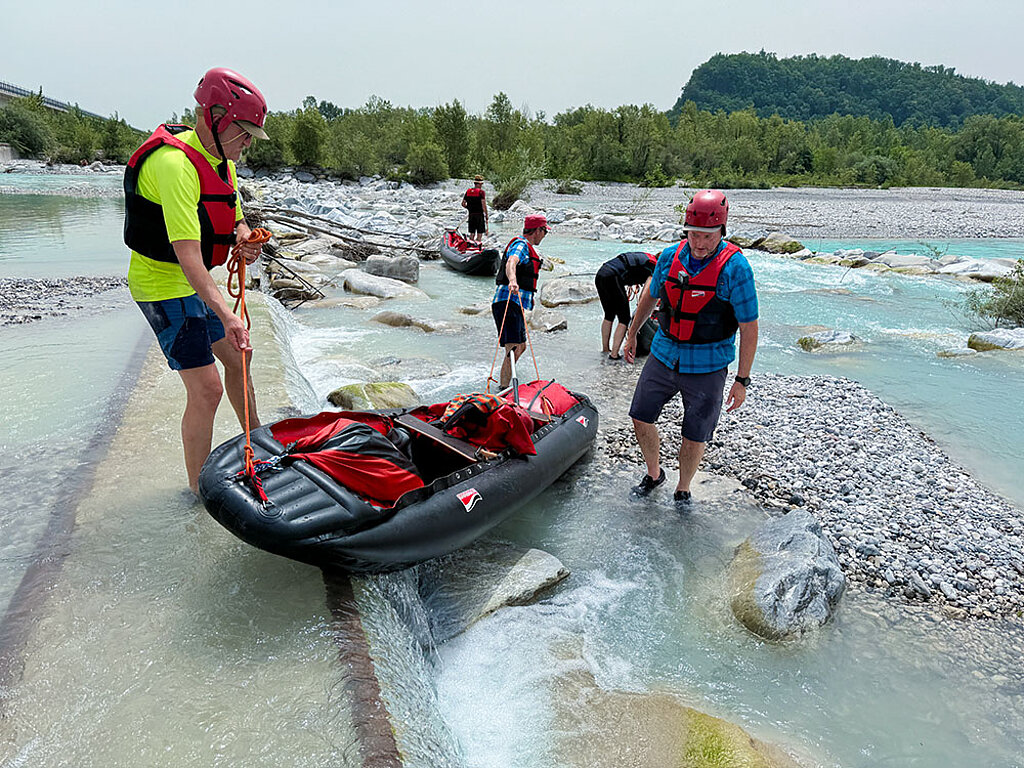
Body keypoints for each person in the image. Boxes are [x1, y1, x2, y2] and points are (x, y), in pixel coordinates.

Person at [124, 67, 270, 495]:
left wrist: (245, 240)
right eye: (243, 132)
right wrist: (229, 316)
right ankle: (197, 492)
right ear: (216, 116)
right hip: (162, 287)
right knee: (206, 388)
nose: (247, 142)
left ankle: (259, 446)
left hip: (194, 283)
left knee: (239, 359)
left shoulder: (223, 161)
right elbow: (189, 260)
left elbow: (235, 217)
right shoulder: (174, 166)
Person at [622, 190, 759, 508]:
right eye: (693, 234)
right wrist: (632, 334)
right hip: (664, 351)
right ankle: (654, 474)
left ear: (722, 231)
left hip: (709, 364)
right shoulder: (670, 256)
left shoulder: (736, 269)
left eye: (707, 236)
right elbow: (651, 296)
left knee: (695, 433)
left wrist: (742, 380)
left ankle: (683, 488)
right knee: (640, 416)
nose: (698, 243)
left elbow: (749, 327)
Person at [491, 214, 550, 388]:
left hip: (515, 305)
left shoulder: (526, 246)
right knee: (513, 349)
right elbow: (511, 262)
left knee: (521, 347)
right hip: (508, 302)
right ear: (538, 230)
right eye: (544, 231)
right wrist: (512, 280)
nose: (545, 235)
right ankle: (503, 389)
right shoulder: (521, 245)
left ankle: (504, 384)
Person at [595, 251, 657, 360]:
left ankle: (605, 349)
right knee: (624, 318)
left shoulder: (646, 259)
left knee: (609, 314)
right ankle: (614, 355)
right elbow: (646, 294)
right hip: (613, 276)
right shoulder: (654, 267)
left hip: (601, 273)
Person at [462, 175, 489, 242]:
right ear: (480, 184)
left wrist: (469, 208)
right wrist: (486, 214)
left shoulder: (468, 191)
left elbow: (463, 204)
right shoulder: (481, 192)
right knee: (479, 232)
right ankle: (478, 245)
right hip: (479, 214)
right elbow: (483, 204)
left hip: (471, 214)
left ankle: (471, 245)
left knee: (472, 232)